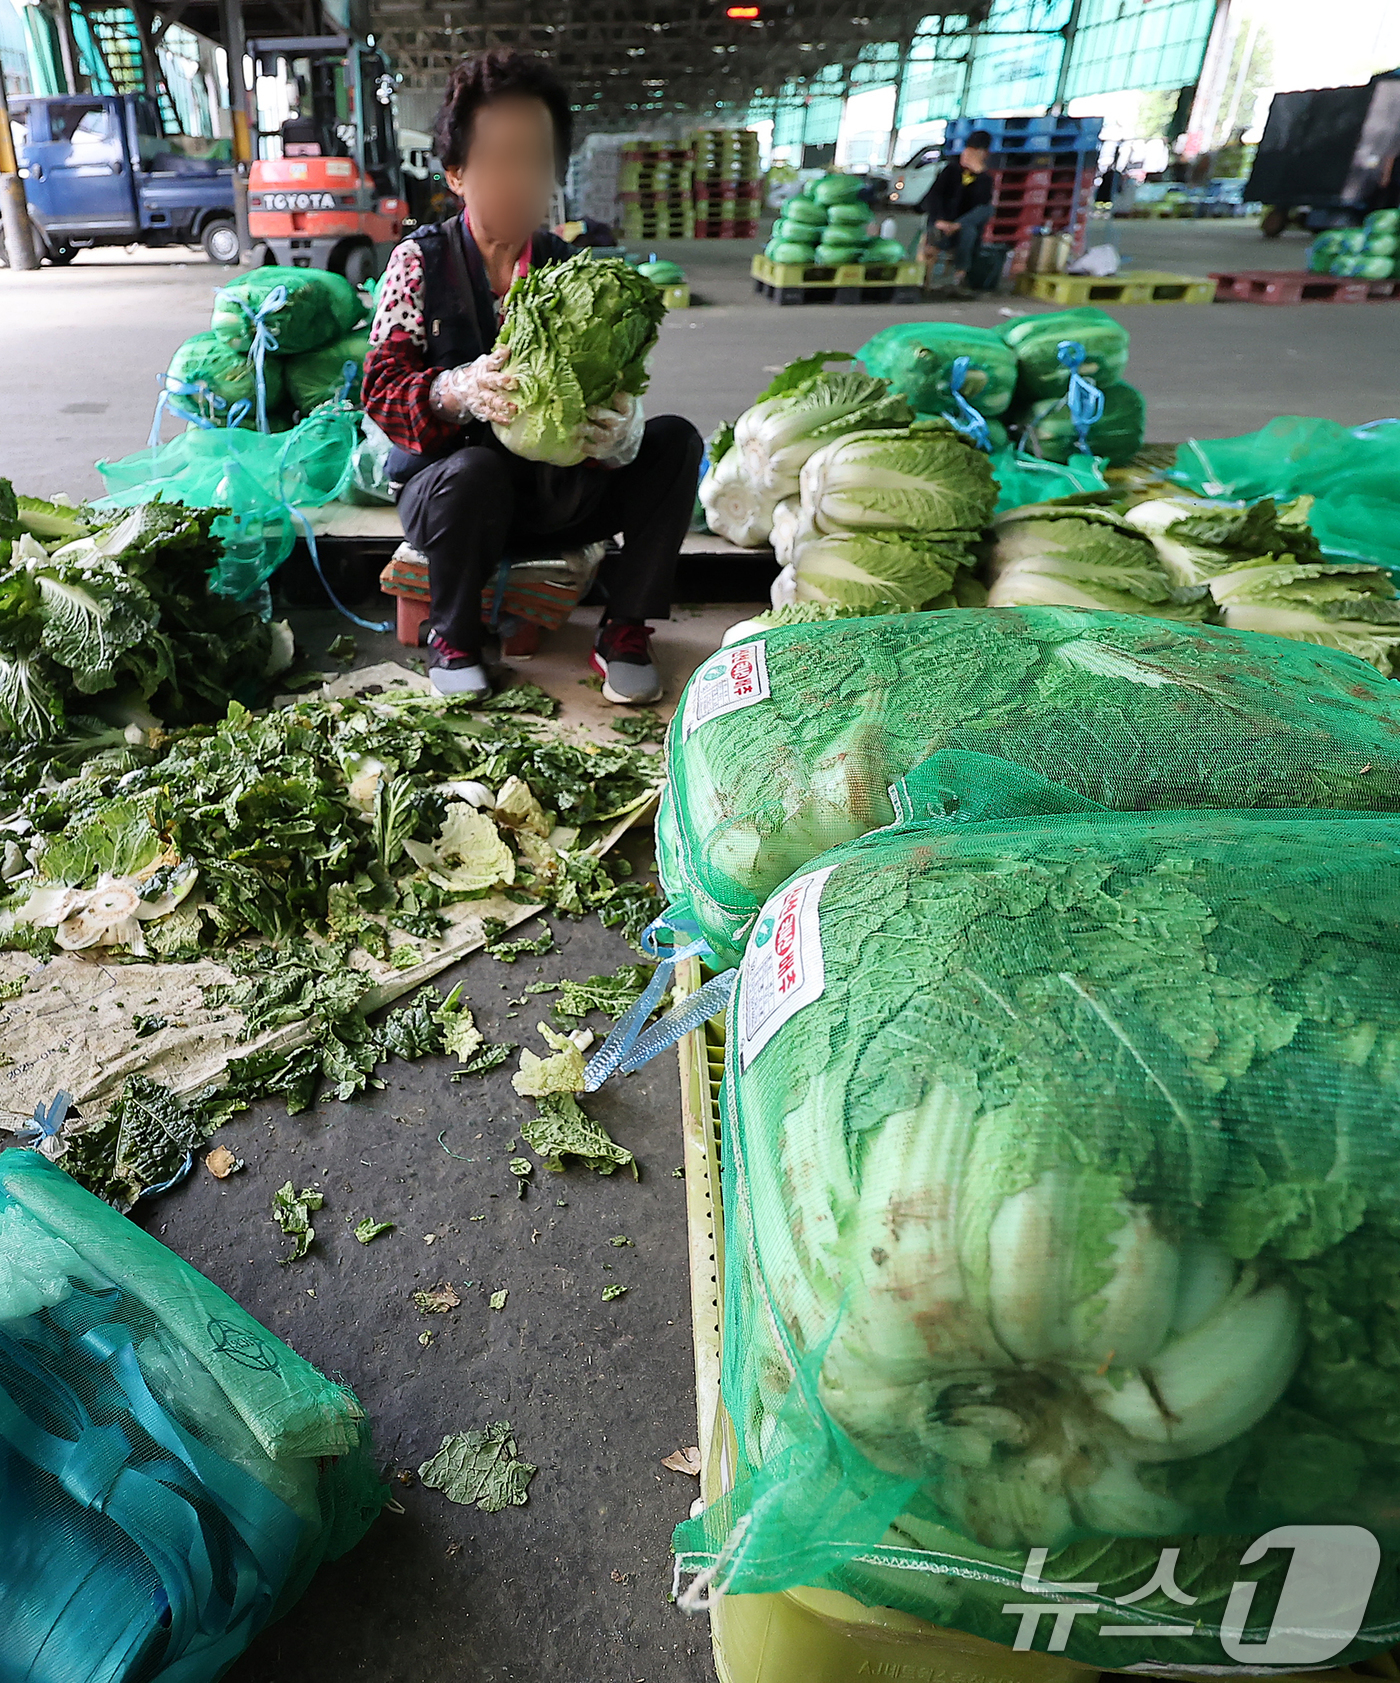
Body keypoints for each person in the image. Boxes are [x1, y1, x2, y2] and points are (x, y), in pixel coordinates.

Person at [362, 49, 703, 704]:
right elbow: (381, 390)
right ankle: (454, 636)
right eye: (500, 157)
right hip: (457, 505)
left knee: (675, 443)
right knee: (476, 471)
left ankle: (626, 628)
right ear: (457, 173)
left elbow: (619, 379)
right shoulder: (418, 264)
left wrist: (621, 430)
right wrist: (452, 390)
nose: (520, 178)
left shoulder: (574, 272)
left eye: (536, 158)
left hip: (557, 494)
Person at [917, 129, 994, 294]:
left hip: (961, 228)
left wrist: (979, 174)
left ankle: (959, 278)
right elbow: (931, 198)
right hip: (941, 225)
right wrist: (939, 220)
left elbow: (982, 205)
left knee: (981, 216)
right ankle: (928, 279)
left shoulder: (984, 179)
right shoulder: (950, 171)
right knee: (956, 230)